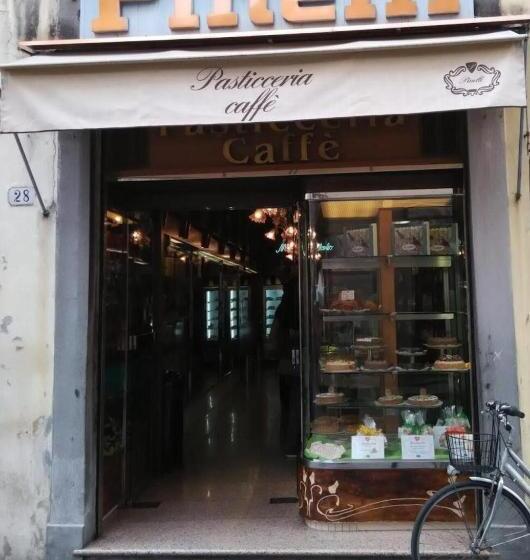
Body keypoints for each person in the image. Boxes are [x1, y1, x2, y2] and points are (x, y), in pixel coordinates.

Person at [272, 264, 300, 455]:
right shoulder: (296, 299)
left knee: (289, 398)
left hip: (287, 357)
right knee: (295, 397)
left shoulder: (284, 305)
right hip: (293, 355)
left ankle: (290, 441)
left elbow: (275, 331)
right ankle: (293, 441)